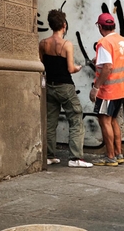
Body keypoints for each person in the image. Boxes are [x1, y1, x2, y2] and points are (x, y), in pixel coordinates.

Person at [39, 9, 93, 168]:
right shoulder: (67, 44)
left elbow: (41, 63)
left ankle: (49, 156)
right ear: (64, 25)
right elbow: (70, 69)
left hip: (49, 86)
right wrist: (78, 67)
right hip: (65, 87)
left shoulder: (43, 44)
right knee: (76, 118)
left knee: (50, 122)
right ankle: (75, 158)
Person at [89, 13, 124, 167]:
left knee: (104, 120)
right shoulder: (122, 41)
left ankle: (110, 157)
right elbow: (114, 61)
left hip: (109, 90)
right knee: (112, 120)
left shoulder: (104, 43)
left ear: (100, 27)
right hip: (122, 89)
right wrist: (97, 60)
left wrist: (95, 88)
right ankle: (118, 154)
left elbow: (108, 67)